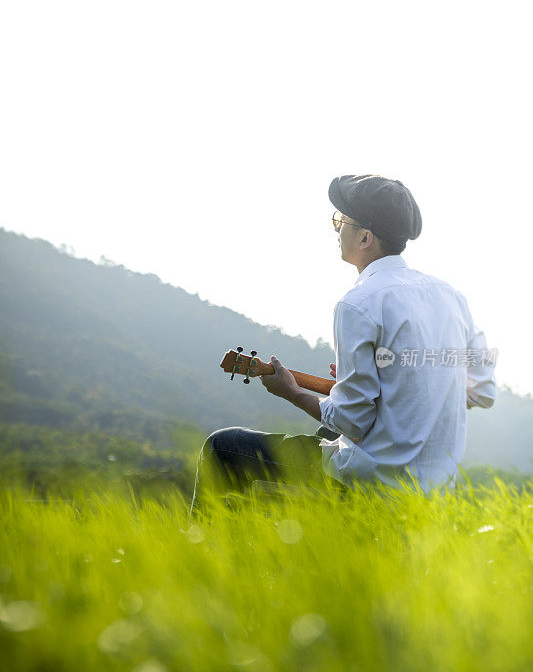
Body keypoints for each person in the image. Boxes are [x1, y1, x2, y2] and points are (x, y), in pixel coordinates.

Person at [190, 174, 497, 513]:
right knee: (325, 431)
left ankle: (202, 557)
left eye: (341, 221)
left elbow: (353, 422)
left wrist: (291, 392)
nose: (336, 229)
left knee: (221, 447)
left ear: (365, 237)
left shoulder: (358, 303)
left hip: (375, 484)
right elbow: (483, 391)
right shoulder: (452, 297)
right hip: (435, 492)